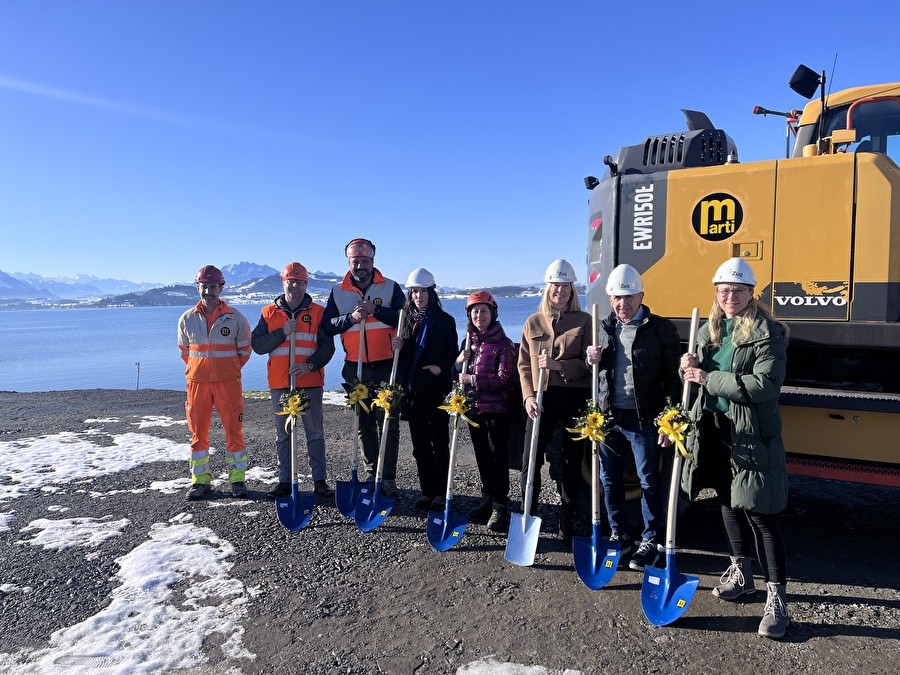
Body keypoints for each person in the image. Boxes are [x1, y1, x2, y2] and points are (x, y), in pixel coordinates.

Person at [681, 257, 791, 639]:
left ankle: (777, 598)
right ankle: (741, 574)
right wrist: (689, 365)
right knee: (727, 502)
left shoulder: (767, 332)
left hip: (750, 434)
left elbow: (764, 387)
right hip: (714, 428)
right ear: (716, 293)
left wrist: (709, 377)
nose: (730, 297)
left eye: (738, 291)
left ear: (750, 293)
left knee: (761, 513)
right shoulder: (710, 330)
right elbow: (696, 378)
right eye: (724, 291)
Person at [585, 264, 682, 571]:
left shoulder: (661, 329)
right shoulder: (603, 326)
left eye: (629, 297)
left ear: (641, 295)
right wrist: (591, 362)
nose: (622, 304)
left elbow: (673, 380)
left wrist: (670, 419)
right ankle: (619, 533)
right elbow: (596, 374)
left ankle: (650, 539)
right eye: (616, 297)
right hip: (609, 417)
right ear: (610, 297)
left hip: (644, 419)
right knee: (608, 479)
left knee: (649, 481)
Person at [322, 238, 406, 497]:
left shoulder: (390, 288)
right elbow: (327, 326)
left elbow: (406, 319)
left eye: (365, 261)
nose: (360, 265)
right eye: (355, 261)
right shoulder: (338, 291)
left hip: (387, 366)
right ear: (348, 262)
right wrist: (351, 318)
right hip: (354, 367)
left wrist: (376, 312)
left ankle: (388, 476)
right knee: (363, 423)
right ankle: (371, 473)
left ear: (373, 261)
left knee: (389, 423)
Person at [518, 259, 592, 543]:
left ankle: (568, 516)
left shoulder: (584, 321)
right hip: (540, 397)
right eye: (555, 286)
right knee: (530, 460)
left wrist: (558, 366)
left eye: (565, 287)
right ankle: (528, 514)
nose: (560, 291)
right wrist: (527, 396)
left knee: (572, 461)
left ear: (572, 290)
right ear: (547, 289)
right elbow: (524, 365)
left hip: (573, 396)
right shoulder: (533, 322)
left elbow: (588, 366)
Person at [251, 262, 336, 501]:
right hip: (280, 383)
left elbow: (327, 347)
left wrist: (309, 365)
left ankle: (319, 481)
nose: (295, 285)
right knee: (283, 435)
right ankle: (285, 481)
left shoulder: (318, 313)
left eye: (300, 281)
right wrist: (282, 332)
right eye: (291, 281)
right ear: (283, 282)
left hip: (309, 381)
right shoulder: (268, 313)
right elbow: (257, 346)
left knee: (314, 433)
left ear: (306, 284)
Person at [177, 265, 252, 501]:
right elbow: (185, 352)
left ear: (221, 288)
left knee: (234, 431)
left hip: (228, 383)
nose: (208, 291)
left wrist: (227, 370)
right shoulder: (187, 319)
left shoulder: (236, 318)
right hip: (197, 383)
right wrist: (201, 371)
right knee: (198, 433)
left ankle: (237, 479)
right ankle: (200, 481)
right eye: (204, 286)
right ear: (198, 286)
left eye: (213, 286)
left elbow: (244, 351)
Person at [391, 268, 458, 511]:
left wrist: (440, 368)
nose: (418, 296)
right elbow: (404, 357)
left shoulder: (445, 321)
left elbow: (452, 354)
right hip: (412, 393)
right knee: (419, 446)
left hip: (435, 391)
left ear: (431, 292)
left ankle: (441, 492)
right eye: (414, 291)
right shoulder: (405, 321)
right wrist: (397, 345)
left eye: (422, 291)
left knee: (439, 443)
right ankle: (427, 491)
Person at [456, 290, 517, 531]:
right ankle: (487, 499)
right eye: (475, 311)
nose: (479, 315)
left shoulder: (504, 345)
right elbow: (457, 375)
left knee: (497, 459)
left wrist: (473, 379)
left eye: (484, 311)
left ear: (493, 313)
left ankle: (501, 505)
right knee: (482, 457)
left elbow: (505, 378)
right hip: (474, 410)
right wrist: (458, 362)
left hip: (497, 411)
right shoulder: (468, 343)